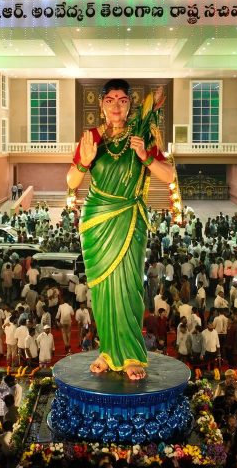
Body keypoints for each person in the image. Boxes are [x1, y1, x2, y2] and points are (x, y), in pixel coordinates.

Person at [66, 79, 174, 380]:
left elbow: (169, 175)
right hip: (96, 222)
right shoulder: (91, 138)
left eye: (123, 100)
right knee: (101, 291)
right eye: (110, 100)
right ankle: (107, 351)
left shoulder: (142, 135)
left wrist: (146, 157)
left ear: (130, 106)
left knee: (128, 288)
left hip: (128, 220)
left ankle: (129, 354)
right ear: (101, 105)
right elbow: (71, 182)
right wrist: (84, 162)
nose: (116, 106)